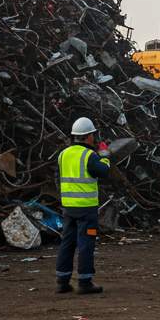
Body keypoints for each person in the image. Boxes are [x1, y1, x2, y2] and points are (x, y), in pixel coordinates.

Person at [55, 117, 111, 294]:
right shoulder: (89, 155)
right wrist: (105, 156)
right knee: (86, 243)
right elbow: (103, 171)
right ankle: (85, 282)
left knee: (67, 242)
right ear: (87, 137)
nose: (94, 138)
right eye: (93, 135)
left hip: (68, 207)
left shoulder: (63, 154)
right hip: (86, 209)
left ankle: (62, 281)